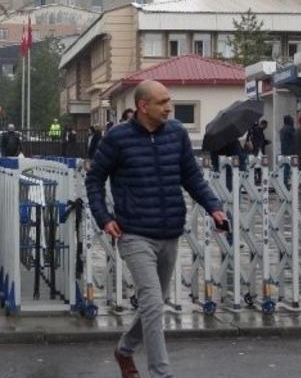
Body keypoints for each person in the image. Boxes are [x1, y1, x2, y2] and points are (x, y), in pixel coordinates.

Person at [86, 80, 225, 378]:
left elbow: (192, 176)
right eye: (162, 102)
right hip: (133, 232)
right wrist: (103, 217)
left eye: (169, 101)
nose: (169, 107)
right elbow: (94, 179)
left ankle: (124, 350)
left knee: (154, 304)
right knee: (152, 302)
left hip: (170, 231)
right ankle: (161, 373)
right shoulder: (117, 138)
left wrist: (214, 207)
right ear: (143, 106)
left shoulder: (176, 134)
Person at [280, 115, 296, 188]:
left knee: (286, 167)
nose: (293, 121)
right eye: (292, 120)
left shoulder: (282, 129)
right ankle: (286, 184)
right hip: (291, 150)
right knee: (291, 168)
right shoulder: (290, 129)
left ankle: (284, 183)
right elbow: (295, 137)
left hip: (284, 150)